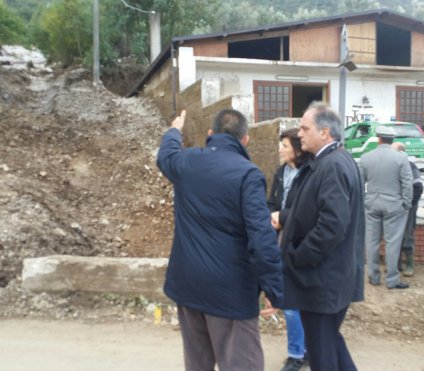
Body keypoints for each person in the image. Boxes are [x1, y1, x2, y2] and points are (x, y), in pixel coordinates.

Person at [156, 109, 284, 371]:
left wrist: (174, 130)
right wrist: (275, 289)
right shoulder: (248, 174)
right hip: (231, 294)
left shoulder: (187, 161)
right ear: (245, 140)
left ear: (210, 134)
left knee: (197, 363)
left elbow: (165, 156)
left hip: (189, 286)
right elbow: (261, 237)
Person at [276, 101, 365, 371]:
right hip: (328, 277)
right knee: (329, 341)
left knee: (322, 352)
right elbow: (316, 212)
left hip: (322, 279)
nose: (299, 134)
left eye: (305, 128)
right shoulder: (329, 161)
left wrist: (298, 256)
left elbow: (331, 225)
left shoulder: (332, 166)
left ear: (325, 132)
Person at [267, 128, 313, 371]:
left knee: (296, 300)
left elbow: (308, 210)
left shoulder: (310, 174)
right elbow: (271, 203)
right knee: (290, 300)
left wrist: (283, 216)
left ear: (296, 148)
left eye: (284, 145)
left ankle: (300, 352)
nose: (280, 149)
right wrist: (271, 217)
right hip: (281, 239)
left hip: (302, 242)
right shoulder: (280, 173)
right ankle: (300, 351)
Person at [360, 127, 413, 289]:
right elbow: (407, 182)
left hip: (372, 203)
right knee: (392, 242)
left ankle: (373, 276)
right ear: (392, 140)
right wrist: (406, 202)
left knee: (372, 241)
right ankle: (392, 279)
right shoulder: (400, 158)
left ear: (378, 139)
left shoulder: (366, 157)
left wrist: (364, 200)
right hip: (394, 204)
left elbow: (359, 183)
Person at [391, 142, 424, 277]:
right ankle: (396, 264)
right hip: (394, 206)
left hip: (408, 206)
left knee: (407, 235)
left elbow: (418, 187)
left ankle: (409, 264)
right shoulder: (391, 167)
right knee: (394, 236)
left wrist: (408, 204)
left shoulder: (411, 166)